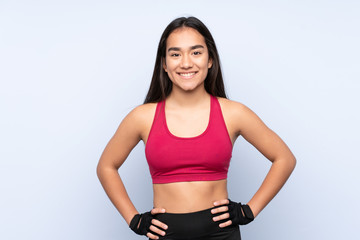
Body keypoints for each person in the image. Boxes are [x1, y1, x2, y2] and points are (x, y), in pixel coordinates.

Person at [97, 16, 296, 240]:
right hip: (166, 235)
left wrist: (248, 210)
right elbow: (106, 166)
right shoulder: (142, 117)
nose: (186, 63)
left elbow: (284, 158)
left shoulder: (233, 113)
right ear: (164, 63)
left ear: (210, 60)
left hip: (221, 235)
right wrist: (133, 219)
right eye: (175, 54)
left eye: (196, 52)